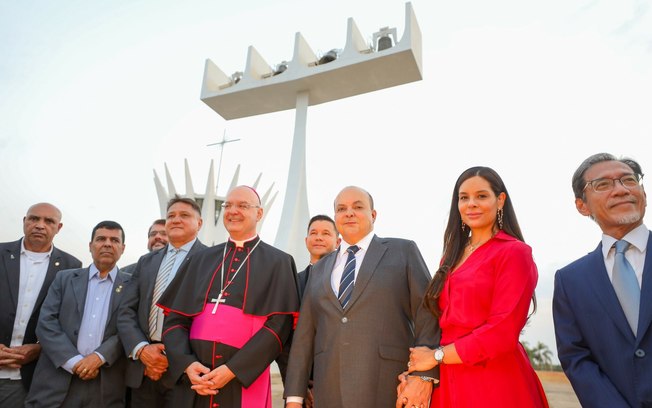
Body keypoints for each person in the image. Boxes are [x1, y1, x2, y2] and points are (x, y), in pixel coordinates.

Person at [404, 166, 548, 408]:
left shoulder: (514, 253)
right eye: (464, 198)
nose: (471, 204)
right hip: (449, 379)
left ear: (500, 200)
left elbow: (501, 332)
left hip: (493, 378)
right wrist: (421, 372)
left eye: (481, 196)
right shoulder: (450, 258)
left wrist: (436, 356)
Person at [284, 186, 438, 408]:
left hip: (390, 387)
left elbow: (428, 313)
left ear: (373, 215)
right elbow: (304, 339)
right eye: (341, 208)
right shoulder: (319, 270)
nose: (349, 213)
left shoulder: (403, 251)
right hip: (329, 392)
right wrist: (294, 398)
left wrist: (424, 376)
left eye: (357, 207)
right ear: (335, 217)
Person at [157, 185, 300, 407]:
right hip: (195, 381)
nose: (233, 211)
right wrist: (187, 363)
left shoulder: (279, 262)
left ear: (259, 213)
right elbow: (175, 321)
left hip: (243, 377)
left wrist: (234, 369)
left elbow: (278, 327)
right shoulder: (200, 259)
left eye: (243, 205)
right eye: (228, 205)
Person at [553, 153, 652, 407]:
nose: (620, 190)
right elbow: (576, 358)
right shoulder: (570, 281)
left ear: (643, 194)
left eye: (628, 180)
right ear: (582, 205)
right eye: (603, 184)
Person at [25, 221, 130, 407]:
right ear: (91, 246)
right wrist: (74, 362)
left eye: (114, 240)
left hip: (105, 384)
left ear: (122, 248)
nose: (107, 243)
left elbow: (129, 329)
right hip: (56, 380)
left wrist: (99, 357)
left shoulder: (133, 285)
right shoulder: (64, 279)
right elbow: (46, 323)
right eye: (101, 239)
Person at [118, 198, 206, 407]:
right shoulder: (146, 262)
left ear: (199, 223)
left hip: (186, 371)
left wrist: (177, 357)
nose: (176, 220)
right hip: (143, 367)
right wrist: (142, 349)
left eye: (184, 215)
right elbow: (126, 311)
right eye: (171, 216)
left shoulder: (211, 259)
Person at [0, 203, 81, 407]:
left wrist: (40, 348)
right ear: (24, 221)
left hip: (28, 377)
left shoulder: (72, 267)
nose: (39, 225)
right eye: (34, 219)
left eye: (48, 221)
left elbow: (68, 322)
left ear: (59, 227)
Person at [297, 214, 340, 298]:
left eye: (325, 233)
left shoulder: (344, 276)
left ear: (337, 242)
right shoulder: (296, 280)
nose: (318, 238)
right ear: (306, 241)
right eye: (313, 233)